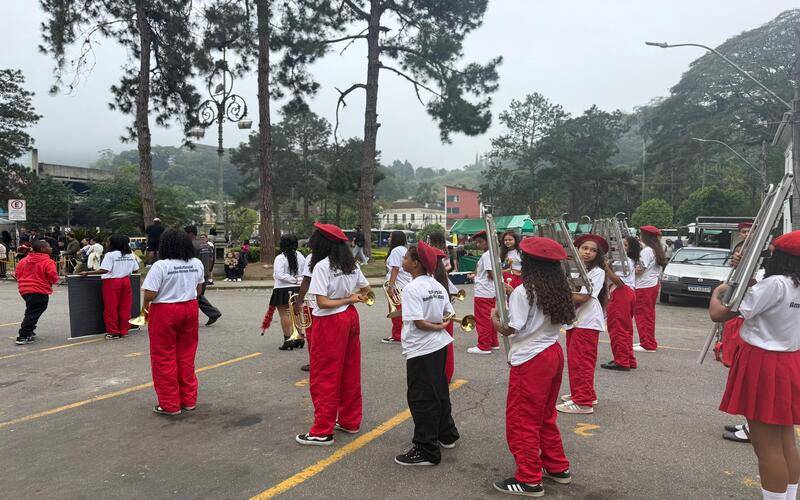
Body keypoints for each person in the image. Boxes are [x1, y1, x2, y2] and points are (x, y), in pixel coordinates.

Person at [709, 231, 800, 500]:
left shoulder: (777, 284)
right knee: (785, 442)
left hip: (764, 363)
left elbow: (720, 313)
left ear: (780, 257)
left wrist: (718, 292)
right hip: (789, 361)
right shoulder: (791, 284)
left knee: (767, 447)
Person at [490, 236, 574, 497]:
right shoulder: (558, 289)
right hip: (552, 353)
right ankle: (557, 467)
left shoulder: (524, 291)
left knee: (522, 420)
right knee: (546, 416)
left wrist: (494, 316)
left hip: (531, 359)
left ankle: (528, 478)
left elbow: (509, 327)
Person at [296, 222, 371, 446]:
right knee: (349, 371)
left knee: (324, 375)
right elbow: (367, 290)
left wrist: (346, 298)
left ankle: (322, 430)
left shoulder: (322, 266)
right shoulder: (351, 264)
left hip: (329, 322)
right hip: (350, 317)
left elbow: (322, 302)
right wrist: (352, 296)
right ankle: (350, 420)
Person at [394, 241, 459, 466]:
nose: (402, 261)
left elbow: (420, 323)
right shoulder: (437, 285)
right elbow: (449, 313)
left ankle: (426, 449)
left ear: (416, 264)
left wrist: (436, 326)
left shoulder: (412, 288)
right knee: (440, 391)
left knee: (421, 398)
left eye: (405, 258)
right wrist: (440, 325)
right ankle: (447, 434)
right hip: (438, 347)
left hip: (421, 349)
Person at [141, 229, 205, 416]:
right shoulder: (196, 263)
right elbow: (199, 290)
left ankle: (170, 404)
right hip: (190, 308)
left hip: (165, 311)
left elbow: (150, 294)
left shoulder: (160, 266)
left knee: (164, 357)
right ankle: (188, 400)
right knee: (186, 355)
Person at [557, 234, 608, 415]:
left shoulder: (597, 271)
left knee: (582, 362)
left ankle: (583, 402)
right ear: (577, 250)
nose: (588, 252)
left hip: (587, 322)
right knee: (575, 360)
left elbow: (584, 296)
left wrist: (557, 290)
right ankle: (584, 393)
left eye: (593, 250)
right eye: (584, 248)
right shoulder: (577, 269)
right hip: (577, 321)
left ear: (598, 254)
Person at [80, 235, 139, 339]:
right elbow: (135, 270)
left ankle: (113, 332)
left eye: (108, 242)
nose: (107, 244)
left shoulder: (110, 255)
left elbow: (105, 270)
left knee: (111, 308)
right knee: (125, 307)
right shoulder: (130, 254)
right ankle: (124, 330)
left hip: (111, 283)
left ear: (114, 243)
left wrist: (87, 272)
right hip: (126, 281)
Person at [601, 236, 641, 371]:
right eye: (620, 244)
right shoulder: (627, 261)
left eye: (625, 245)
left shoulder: (625, 261)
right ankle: (628, 359)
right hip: (627, 293)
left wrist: (606, 268)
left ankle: (622, 360)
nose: (620, 247)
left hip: (621, 293)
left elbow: (619, 282)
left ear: (631, 249)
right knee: (625, 329)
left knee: (618, 328)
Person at [14, 240, 59, 345]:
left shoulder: (24, 260)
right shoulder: (47, 262)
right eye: (49, 246)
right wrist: (53, 281)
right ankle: (23, 335)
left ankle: (29, 330)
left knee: (32, 310)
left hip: (24, 290)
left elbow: (17, 274)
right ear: (43, 249)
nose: (51, 248)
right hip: (39, 290)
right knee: (33, 312)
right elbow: (52, 276)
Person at [634, 226, 667, 353]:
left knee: (643, 315)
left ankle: (647, 344)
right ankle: (647, 341)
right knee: (648, 315)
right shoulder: (656, 249)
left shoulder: (647, 251)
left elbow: (640, 269)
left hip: (644, 286)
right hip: (651, 285)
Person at [429, 231, 457, 383]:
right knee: (447, 343)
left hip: (437, 312)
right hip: (447, 309)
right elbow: (450, 267)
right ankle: (446, 373)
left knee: (437, 344)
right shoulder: (444, 253)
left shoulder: (430, 278)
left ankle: (439, 374)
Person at [271, 234, 306, 351]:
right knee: (296, 313)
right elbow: (305, 271)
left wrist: (292, 279)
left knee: (284, 314)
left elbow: (279, 275)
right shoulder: (300, 256)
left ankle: (288, 339)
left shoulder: (280, 258)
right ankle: (299, 337)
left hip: (282, 289)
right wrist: (297, 279)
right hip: (297, 288)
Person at [467, 230, 499, 355]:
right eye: (477, 242)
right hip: (489, 291)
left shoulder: (487, 255)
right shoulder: (492, 254)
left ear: (488, 242)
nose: (478, 245)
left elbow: (491, 274)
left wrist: (476, 277)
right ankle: (493, 342)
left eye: (480, 242)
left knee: (483, 320)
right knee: (490, 318)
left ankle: (484, 345)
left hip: (483, 292)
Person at [186, 226, 222, 326]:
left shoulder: (191, 245)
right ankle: (211, 313)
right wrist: (210, 271)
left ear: (190, 234)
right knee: (198, 295)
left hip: (195, 273)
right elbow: (212, 259)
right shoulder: (207, 245)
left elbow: (189, 260)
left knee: (196, 295)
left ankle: (213, 313)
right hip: (205, 272)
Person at [382, 230, 412, 344]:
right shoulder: (404, 249)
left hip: (398, 285)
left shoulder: (395, 250)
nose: (389, 238)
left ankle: (397, 335)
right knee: (402, 311)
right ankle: (400, 333)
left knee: (396, 311)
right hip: (405, 284)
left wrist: (391, 286)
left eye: (390, 236)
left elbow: (395, 269)